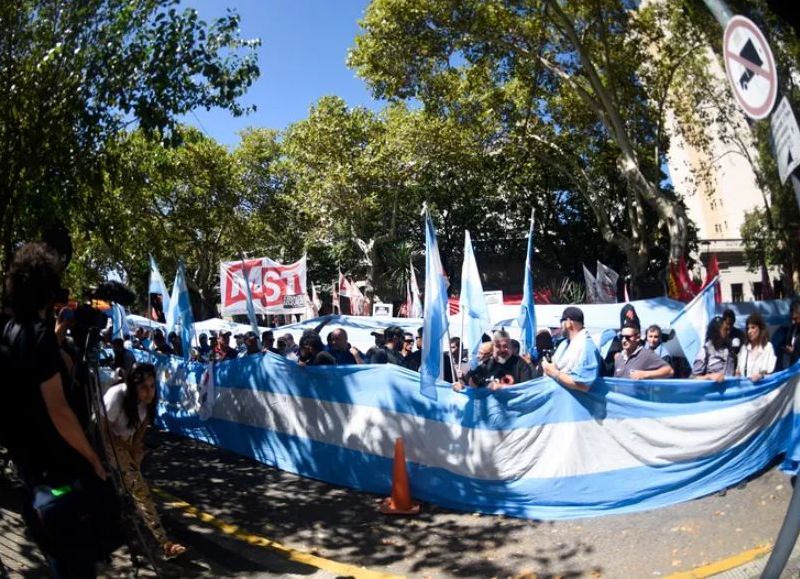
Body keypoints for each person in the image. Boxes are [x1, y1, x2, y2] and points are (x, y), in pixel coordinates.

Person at [1, 242, 109, 577]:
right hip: (58, 482)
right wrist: (93, 458)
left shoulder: (10, 331)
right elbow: (60, 410)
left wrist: (59, 332)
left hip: (31, 478)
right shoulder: (38, 336)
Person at [101, 363, 186, 560]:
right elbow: (101, 428)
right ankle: (164, 543)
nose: (150, 392)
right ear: (133, 386)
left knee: (132, 487)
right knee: (139, 490)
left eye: (152, 386)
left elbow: (142, 425)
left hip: (127, 442)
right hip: (109, 441)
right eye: (144, 387)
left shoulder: (146, 401)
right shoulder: (117, 396)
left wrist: (135, 449)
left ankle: (129, 518)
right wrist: (123, 451)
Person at [541, 306, 601, 392]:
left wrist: (554, 372)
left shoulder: (586, 346)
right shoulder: (564, 344)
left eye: (561, 321)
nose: (560, 326)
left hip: (577, 403)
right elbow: (557, 366)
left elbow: (584, 385)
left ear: (569, 323)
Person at [692, 317, 735, 381]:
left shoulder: (730, 351)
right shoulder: (705, 351)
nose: (728, 332)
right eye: (725, 330)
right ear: (716, 331)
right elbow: (693, 378)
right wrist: (709, 376)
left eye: (729, 329)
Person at [737, 313, 776, 381]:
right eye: (748, 328)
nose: (749, 331)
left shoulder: (768, 347)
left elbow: (771, 373)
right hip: (746, 388)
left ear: (760, 329)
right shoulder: (744, 349)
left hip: (764, 389)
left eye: (753, 327)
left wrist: (761, 376)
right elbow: (738, 372)